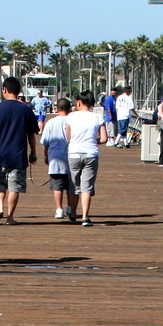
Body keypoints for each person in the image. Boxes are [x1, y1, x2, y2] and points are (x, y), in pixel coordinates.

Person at [0, 76, 38, 225]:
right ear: (19, 91)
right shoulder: (25, 109)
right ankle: (10, 217)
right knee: (14, 187)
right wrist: (33, 152)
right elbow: (31, 134)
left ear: (4, 89)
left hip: (0, 154)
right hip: (18, 154)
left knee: (0, 184)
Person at [64, 91, 107, 227]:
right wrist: (94, 141)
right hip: (91, 154)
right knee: (86, 187)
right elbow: (105, 139)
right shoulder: (98, 117)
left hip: (74, 153)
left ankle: (73, 214)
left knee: (74, 186)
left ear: (79, 102)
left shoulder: (71, 116)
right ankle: (85, 217)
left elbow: (68, 138)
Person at [40, 97, 78, 220]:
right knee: (70, 186)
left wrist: (45, 156)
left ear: (57, 109)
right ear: (70, 109)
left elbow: (45, 142)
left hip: (55, 158)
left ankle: (59, 209)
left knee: (57, 186)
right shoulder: (73, 121)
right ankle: (70, 208)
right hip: (71, 156)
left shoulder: (50, 123)